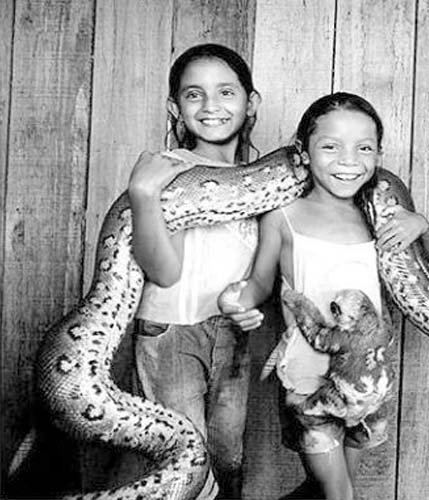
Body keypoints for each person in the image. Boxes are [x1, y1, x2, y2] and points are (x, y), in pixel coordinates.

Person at [218, 92, 429, 500]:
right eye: (330, 146)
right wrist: (238, 301)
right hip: (307, 381)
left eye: (364, 148)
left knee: (332, 491)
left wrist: (421, 224)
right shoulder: (283, 216)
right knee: (340, 494)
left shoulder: (378, 216)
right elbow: (261, 285)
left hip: (367, 383)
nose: (348, 160)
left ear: (379, 155)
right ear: (302, 153)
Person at [126, 43, 262, 500]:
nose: (211, 106)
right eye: (193, 95)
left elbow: (254, 270)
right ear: (175, 108)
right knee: (187, 468)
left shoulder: (256, 182)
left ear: (250, 102)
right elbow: (163, 273)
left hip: (230, 333)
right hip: (172, 334)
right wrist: (144, 197)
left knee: (228, 459)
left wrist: (250, 305)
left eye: (226, 92)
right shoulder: (170, 171)